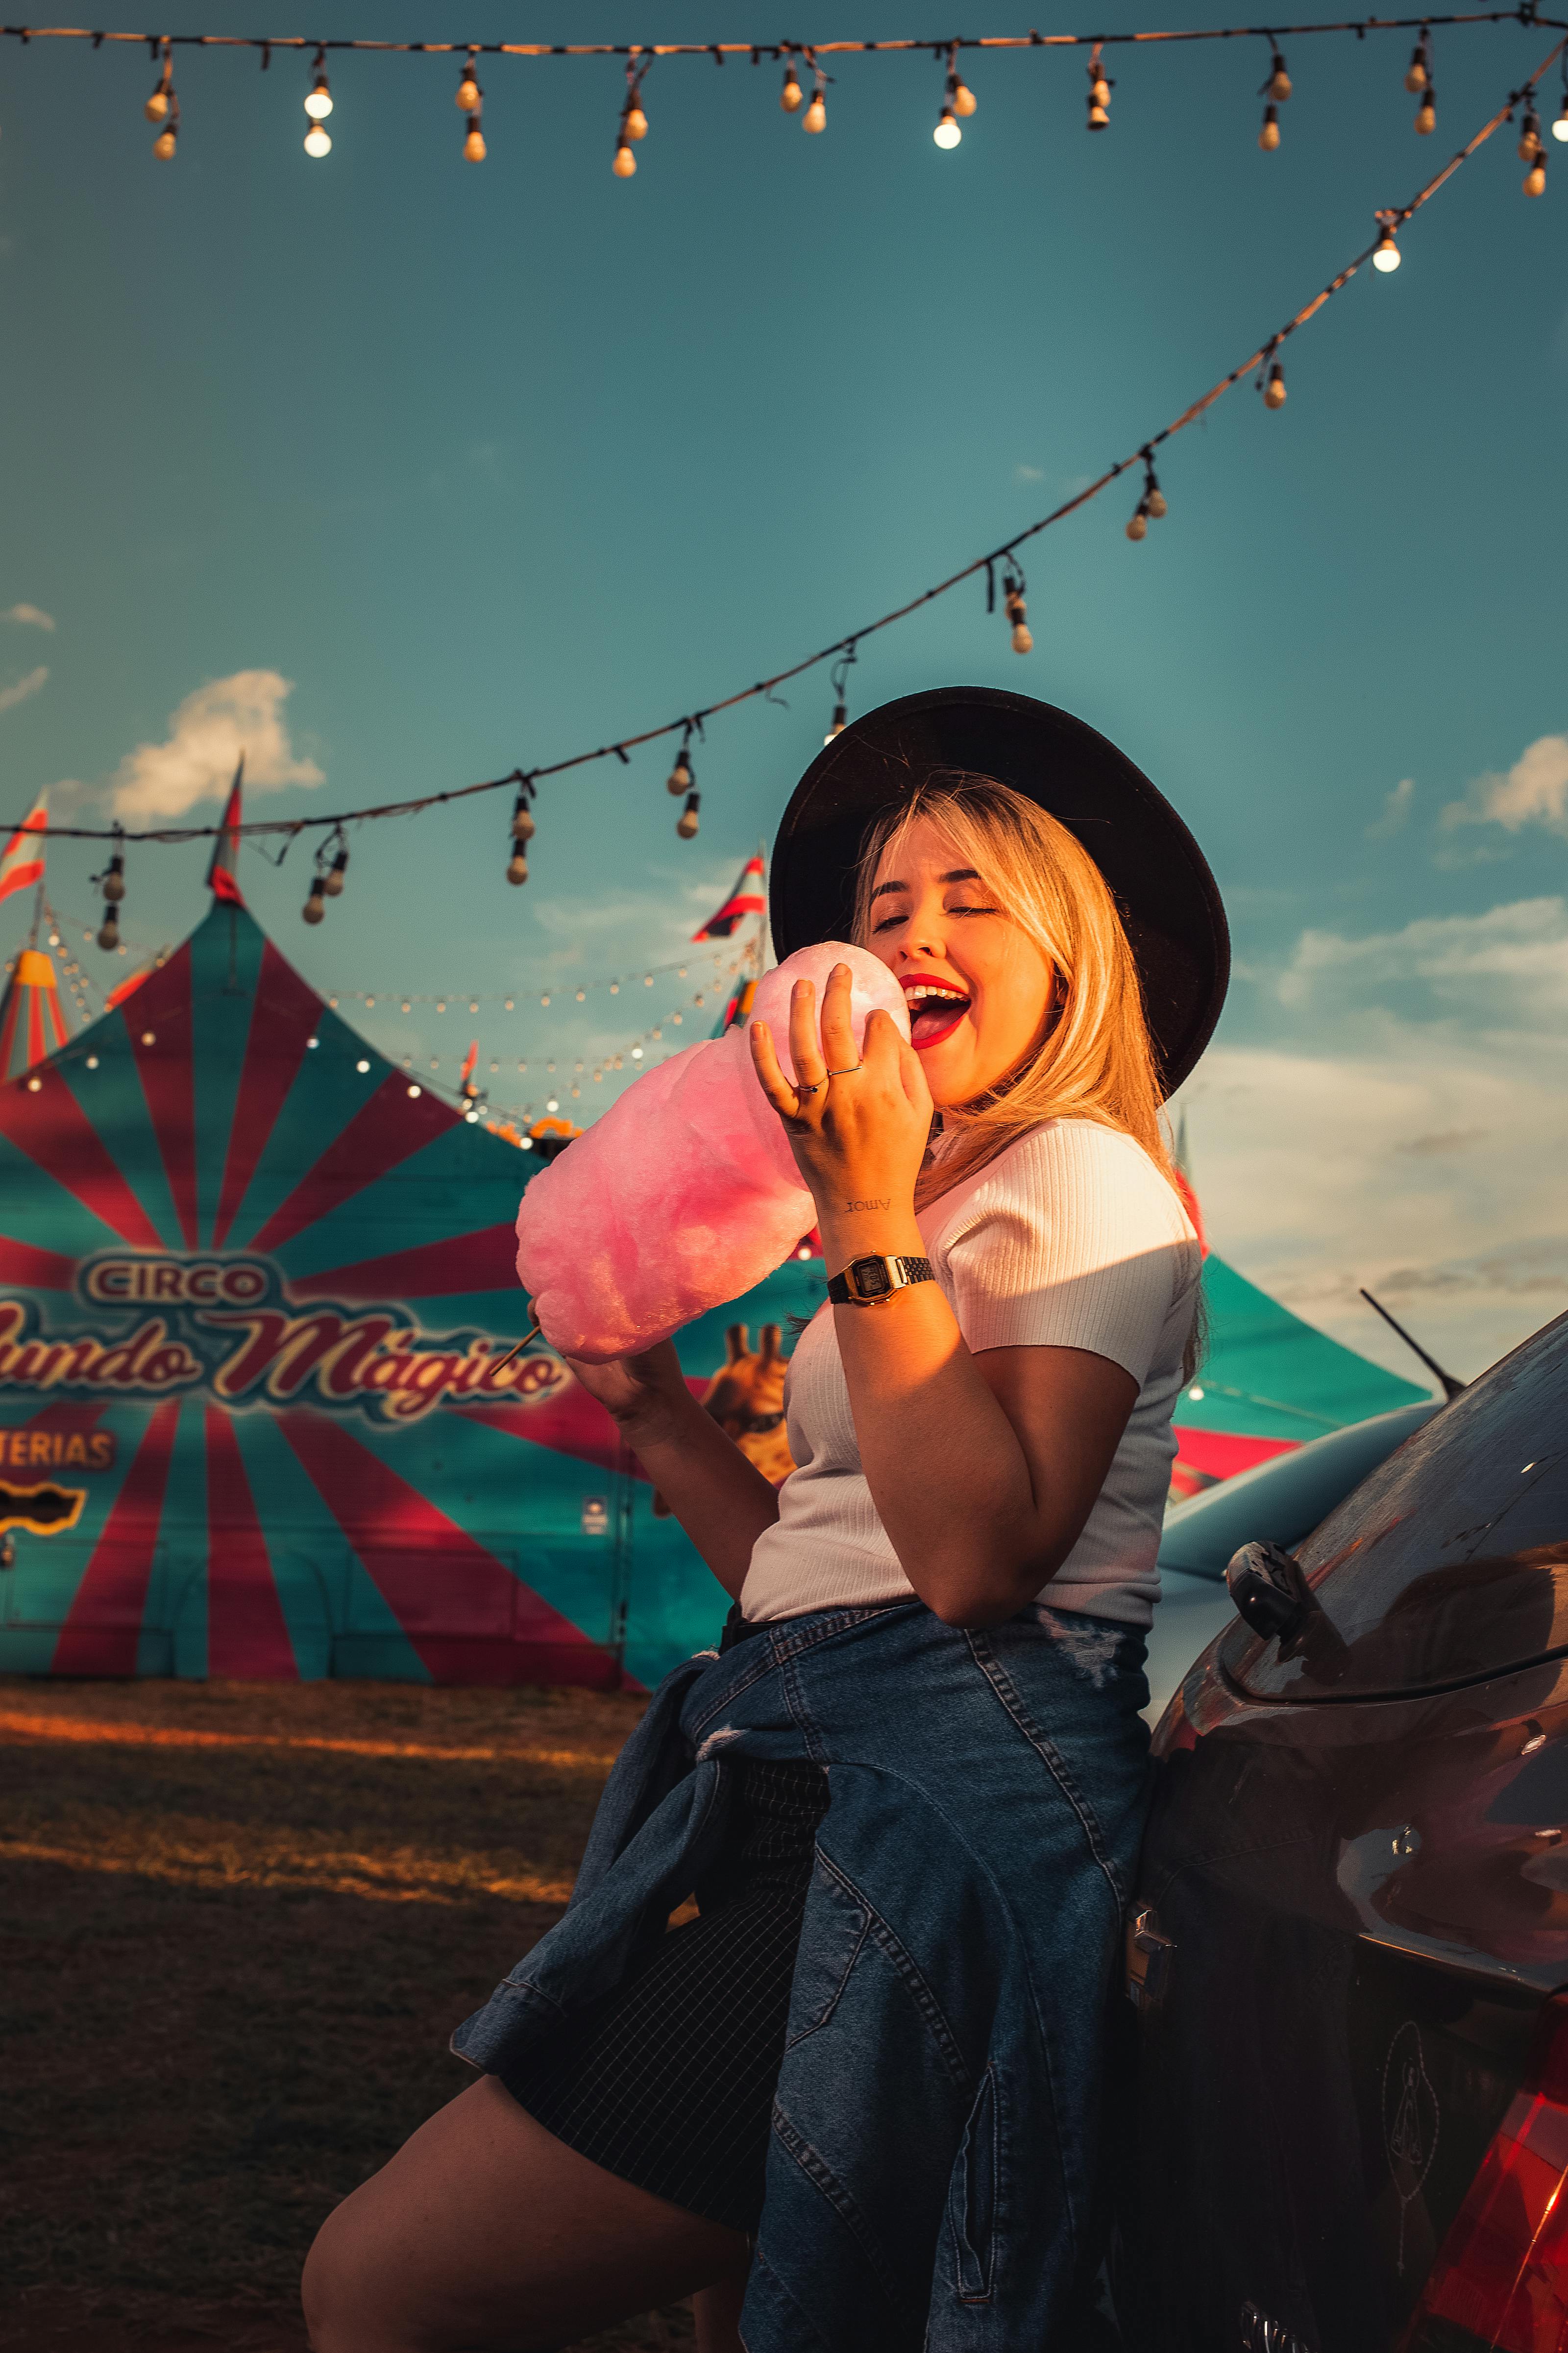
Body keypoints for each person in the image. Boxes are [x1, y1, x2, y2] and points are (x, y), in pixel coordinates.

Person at [302, 687, 1229, 2353]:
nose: (908, 931)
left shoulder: (1075, 1174)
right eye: (882, 911)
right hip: (815, 1769)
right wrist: (656, 1412)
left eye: (967, 898)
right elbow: (825, 1576)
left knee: (379, 2282)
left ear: (1073, 957)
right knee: (762, 2315)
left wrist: (863, 1210)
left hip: (936, 1821)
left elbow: (975, 1560)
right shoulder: (935, 1202)